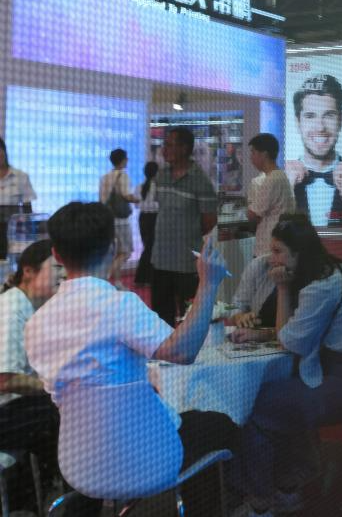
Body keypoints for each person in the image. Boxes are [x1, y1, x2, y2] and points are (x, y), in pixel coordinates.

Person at [24, 202, 235, 516]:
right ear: (112, 248)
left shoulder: (35, 324)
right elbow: (182, 351)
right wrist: (209, 283)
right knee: (220, 423)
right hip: (149, 457)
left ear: (56, 254)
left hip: (82, 465)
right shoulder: (118, 305)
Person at [230, 215, 342, 516]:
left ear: (298, 253)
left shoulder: (320, 287)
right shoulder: (332, 273)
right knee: (277, 396)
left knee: (257, 406)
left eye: (278, 251)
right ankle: (291, 481)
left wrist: (282, 289)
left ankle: (263, 499)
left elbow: (288, 340)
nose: (271, 258)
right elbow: (296, 333)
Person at [0, 240, 68, 509]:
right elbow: (6, 380)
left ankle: (47, 497)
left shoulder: (36, 306)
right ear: (28, 271)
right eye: (56, 268)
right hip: (6, 413)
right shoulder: (11, 309)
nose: (63, 275)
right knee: (69, 412)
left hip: (16, 410)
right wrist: (55, 384)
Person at [151, 128, 218, 326]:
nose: (164, 149)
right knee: (160, 316)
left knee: (190, 318)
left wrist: (187, 234)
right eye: (165, 144)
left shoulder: (200, 180)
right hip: (160, 259)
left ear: (184, 148)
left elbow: (209, 221)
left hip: (186, 262)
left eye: (169, 145)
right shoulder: (161, 176)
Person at [285, 75, 342, 228]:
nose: (320, 127)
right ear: (298, 122)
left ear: (341, 121)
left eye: (329, 115)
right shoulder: (281, 179)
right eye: (310, 116)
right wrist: (286, 189)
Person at [247, 133, 295, 257]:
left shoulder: (271, 179)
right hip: (274, 246)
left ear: (264, 154)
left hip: (267, 249)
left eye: (253, 153)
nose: (251, 157)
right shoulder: (280, 176)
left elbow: (253, 215)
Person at [100, 148, 140, 289]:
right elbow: (126, 195)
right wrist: (139, 199)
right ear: (123, 160)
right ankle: (105, 277)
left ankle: (117, 283)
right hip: (121, 220)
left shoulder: (104, 177)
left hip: (108, 219)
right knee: (126, 252)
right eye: (126, 158)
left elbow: (102, 199)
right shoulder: (123, 176)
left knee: (116, 252)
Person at [0, 137, 35, 260]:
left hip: (13, 228)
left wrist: (28, 230)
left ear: (5, 152)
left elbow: (27, 207)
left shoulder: (21, 176)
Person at [134, 161, 159, 286]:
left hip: (142, 218)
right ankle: (142, 278)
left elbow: (136, 205)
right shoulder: (158, 187)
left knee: (148, 247)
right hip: (154, 218)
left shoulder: (139, 186)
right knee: (150, 248)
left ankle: (146, 277)